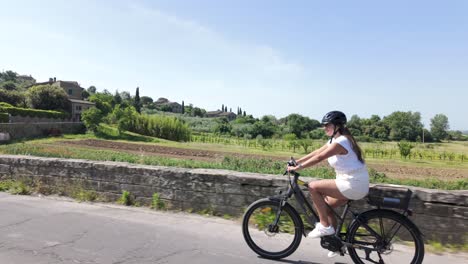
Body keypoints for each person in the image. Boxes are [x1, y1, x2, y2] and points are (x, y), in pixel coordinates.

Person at [287, 110, 369, 258]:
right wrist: (298, 161)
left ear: (337, 126)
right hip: (351, 182)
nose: (325, 128)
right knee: (326, 206)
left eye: (328, 125)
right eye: (324, 125)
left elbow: (319, 157)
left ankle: (325, 226)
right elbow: (318, 151)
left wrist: (297, 168)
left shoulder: (342, 141)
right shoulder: (336, 139)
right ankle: (336, 243)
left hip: (352, 183)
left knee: (313, 186)